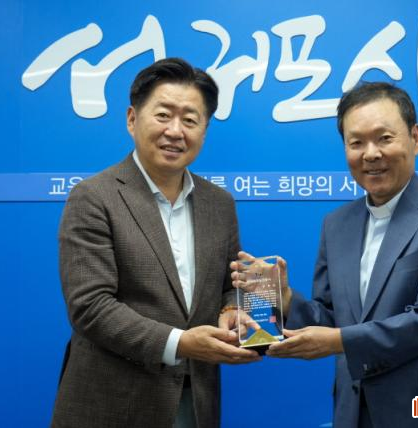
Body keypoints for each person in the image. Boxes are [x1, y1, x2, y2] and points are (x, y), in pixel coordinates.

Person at [242, 82, 418, 427]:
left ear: (415, 138)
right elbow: (331, 318)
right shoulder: (336, 224)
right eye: (356, 142)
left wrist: (340, 341)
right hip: (355, 410)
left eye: (384, 138)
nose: (370, 154)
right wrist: (284, 299)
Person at [51, 57, 259, 428]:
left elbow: (228, 286)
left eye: (190, 120)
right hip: (113, 404)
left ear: (205, 130)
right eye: (163, 115)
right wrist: (181, 343)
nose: (175, 131)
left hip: (195, 402)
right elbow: (90, 307)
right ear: (132, 119)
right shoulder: (94, 197)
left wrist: (233, 309)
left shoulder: (219, 203)